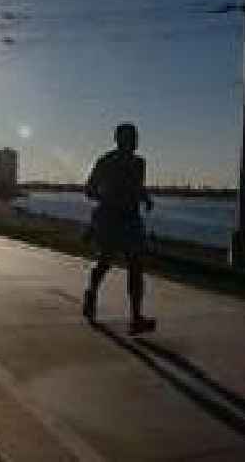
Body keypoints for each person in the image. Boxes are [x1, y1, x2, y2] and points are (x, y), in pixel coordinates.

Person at [83, 123, 156, 335]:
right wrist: (108, 199)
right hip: (110, 219)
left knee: (136, 266)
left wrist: (146, 198)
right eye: (130, 137)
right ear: (119, 139)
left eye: (136, 137)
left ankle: (136, 317)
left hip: (131, 220)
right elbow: (89, 189)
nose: (135, 141)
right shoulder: (106, 161)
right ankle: (91, 293)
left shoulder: (140, 163)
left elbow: (138, 186)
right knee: (105, 262)